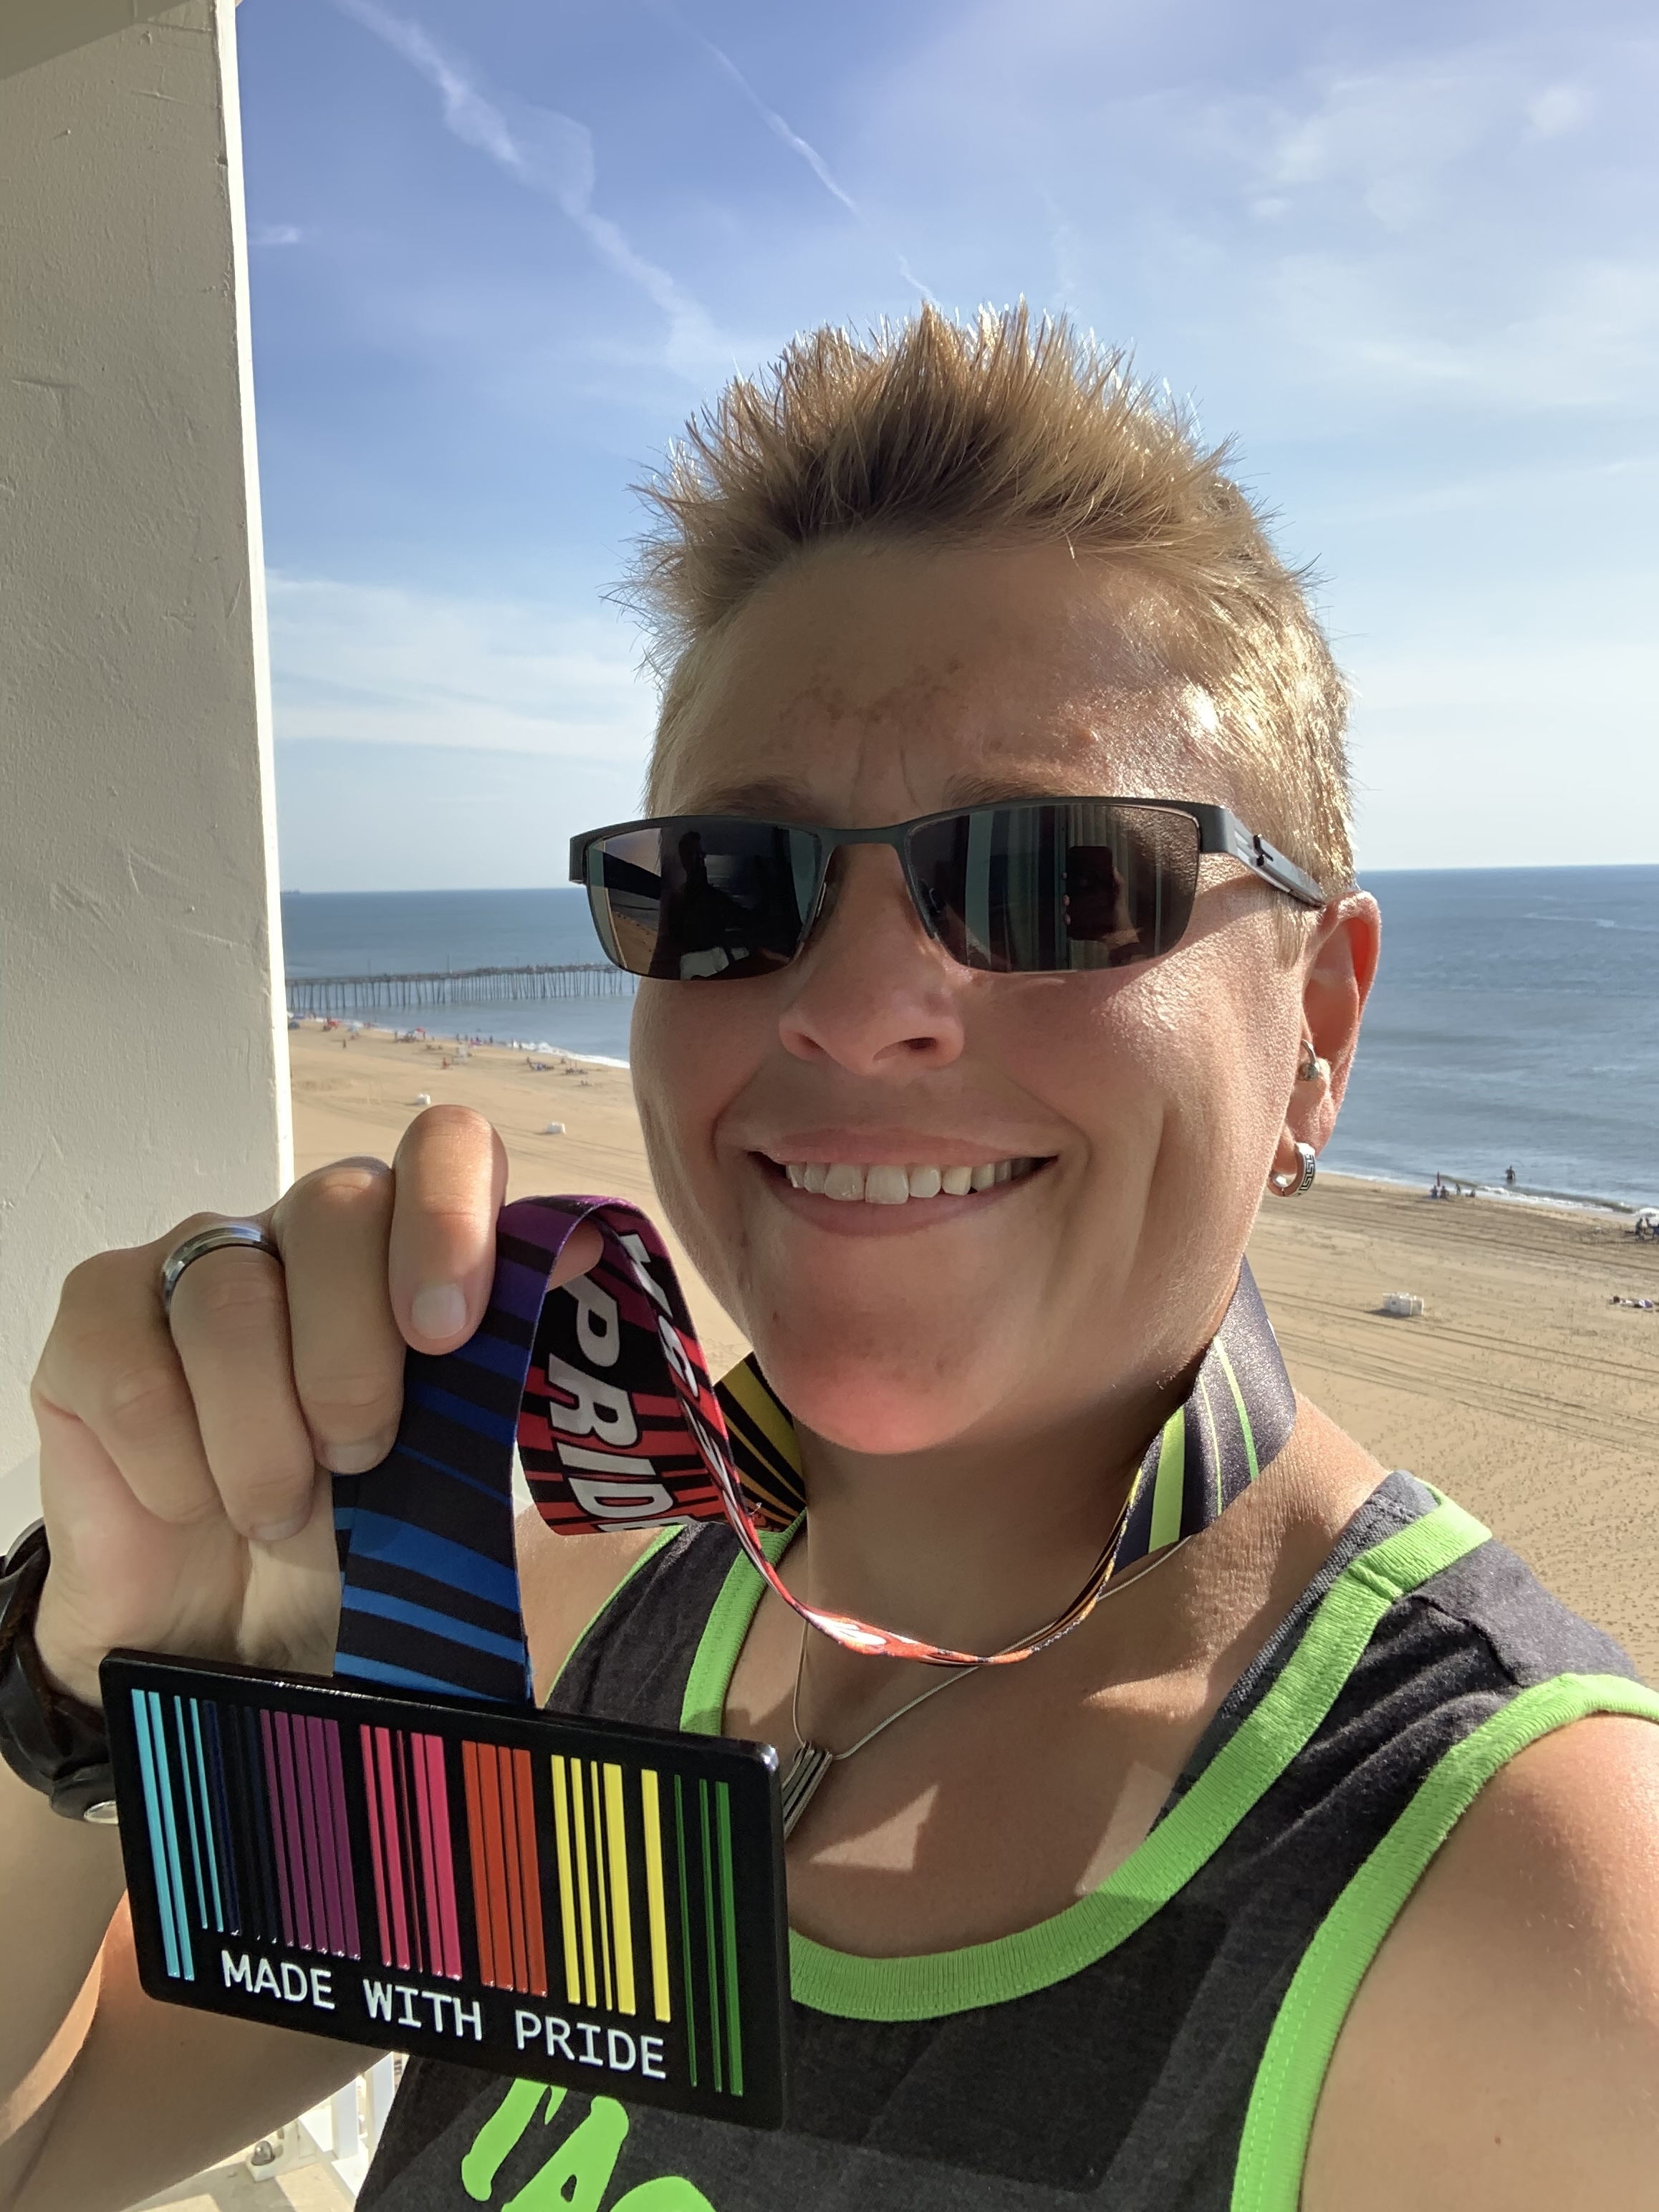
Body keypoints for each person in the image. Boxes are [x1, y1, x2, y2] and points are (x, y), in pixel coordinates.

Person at [4, 308, 1657, 2212]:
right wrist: (84, 1678)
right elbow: (45, 2149)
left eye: (1057, 875)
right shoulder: (566, 1616)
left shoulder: (1519, 1909)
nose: (862, 1007)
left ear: (1321, 1031)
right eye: (728, 889)